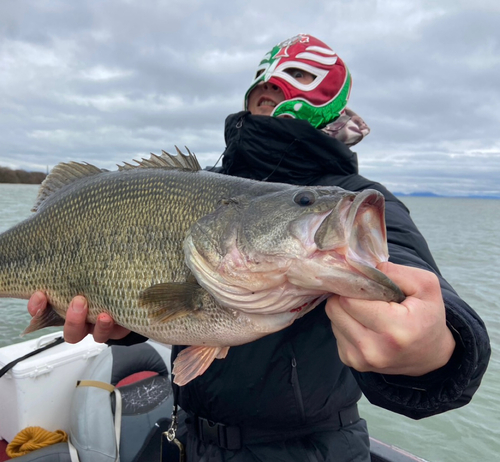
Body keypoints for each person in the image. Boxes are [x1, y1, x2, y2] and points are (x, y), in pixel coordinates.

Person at [28, 34, 490, 461]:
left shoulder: (352, 195)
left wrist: (437, 349)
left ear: (331, 103)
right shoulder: (207, 185)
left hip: (309, 450)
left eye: (299, 78)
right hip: (190, 437)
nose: (273, 86)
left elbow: (418, 282)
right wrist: (122, 324)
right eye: (264, 86)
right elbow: (160, 305)